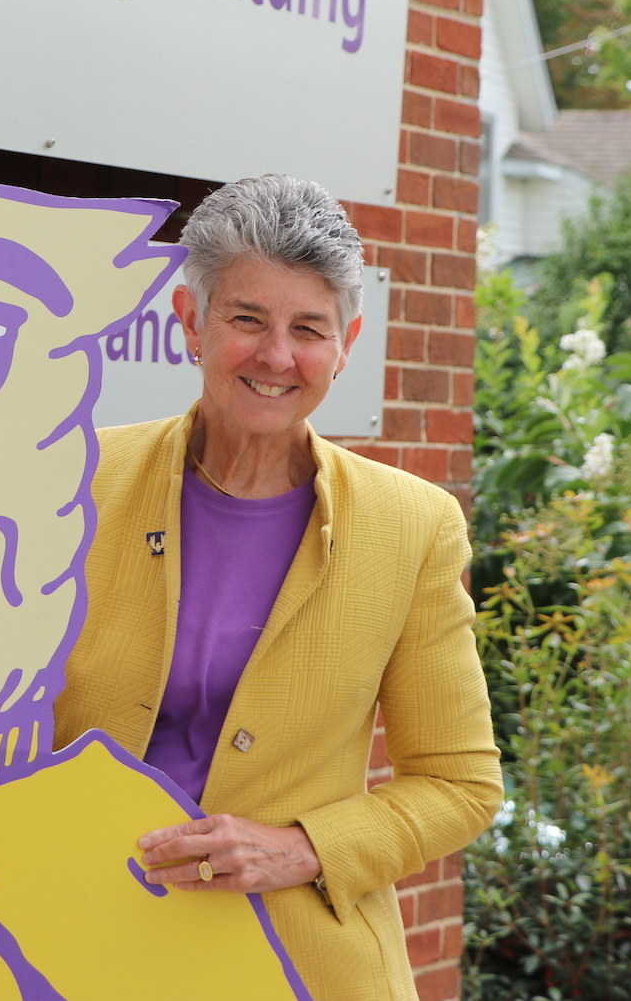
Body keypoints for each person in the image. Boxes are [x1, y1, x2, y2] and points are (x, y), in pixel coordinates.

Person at [54, 174, 500, 1001]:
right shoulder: (72, 480)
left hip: (304, 969)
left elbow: (460, 782)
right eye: (247, 319)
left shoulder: (415, 526)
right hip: (73, 949)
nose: (276, 356)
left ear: (347, 344)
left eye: (308, 329)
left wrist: (302, 845)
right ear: (192, 322)